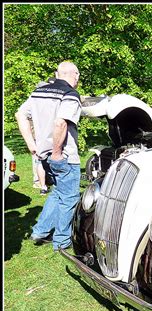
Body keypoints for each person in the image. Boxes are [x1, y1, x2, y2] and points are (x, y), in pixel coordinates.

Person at [16, 61, 82, 251]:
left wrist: (32, 145)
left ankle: (40, 230)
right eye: (77, 76)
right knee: (69, 198)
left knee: (57, 193)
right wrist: (57, 153)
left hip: (43, 156)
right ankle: (61, 240)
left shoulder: (40, 92)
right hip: (63, 156)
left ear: (57, 73)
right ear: (75, 75)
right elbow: (61, 123)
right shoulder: (70, 94)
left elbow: (20, 114)